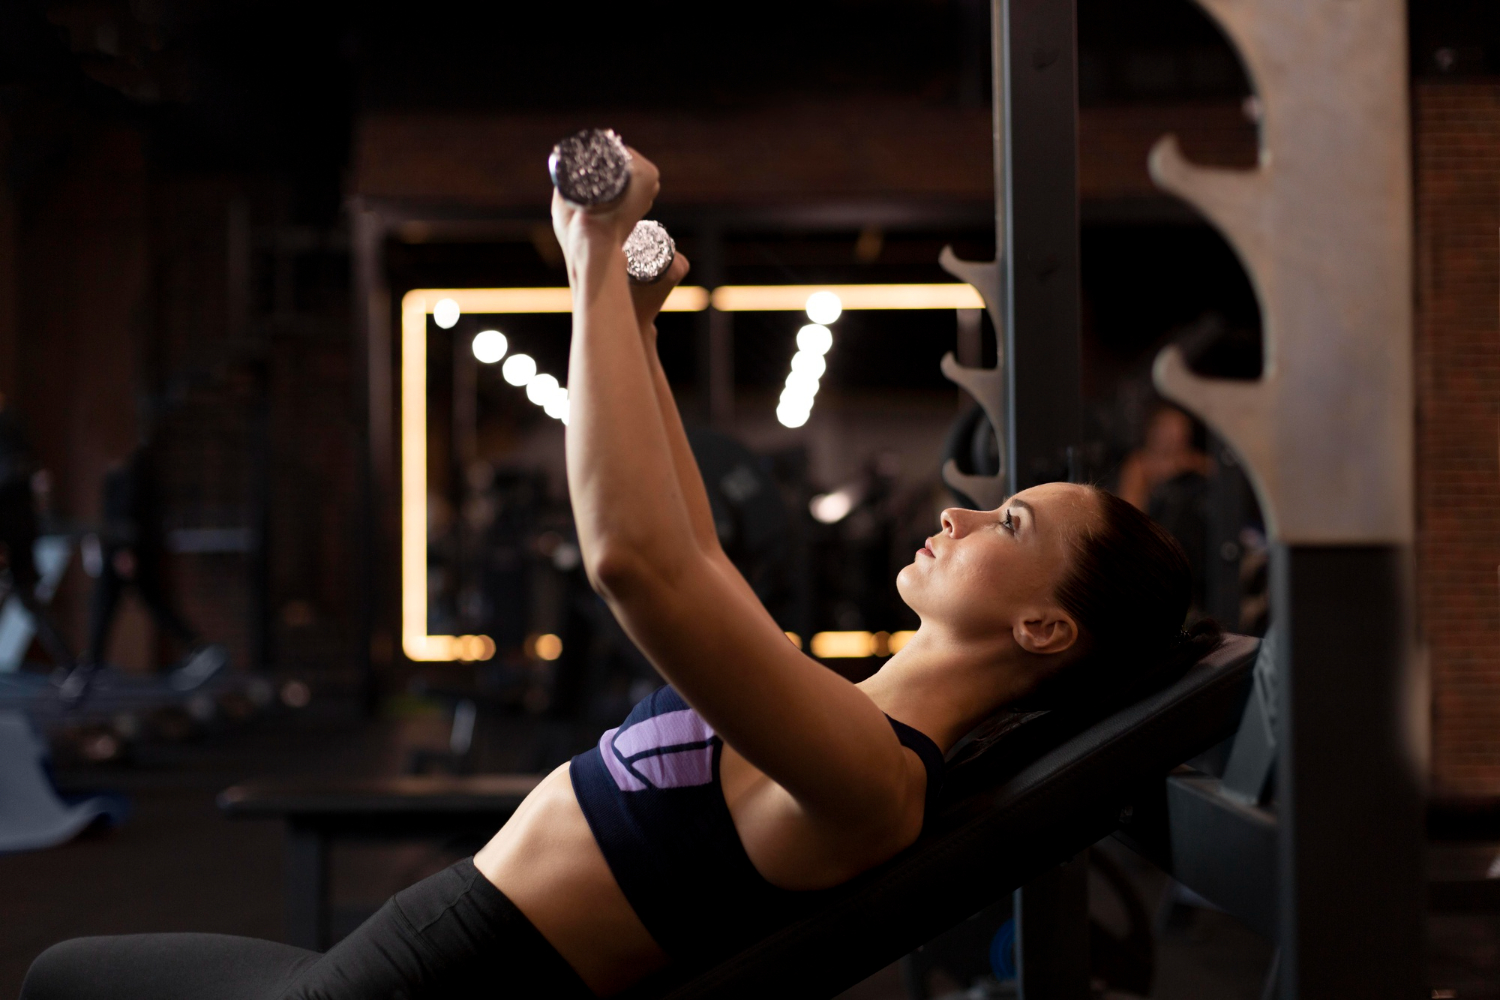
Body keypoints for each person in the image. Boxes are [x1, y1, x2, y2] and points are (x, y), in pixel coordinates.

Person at [20, 149, 1218, 1000]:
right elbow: (692, 544)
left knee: (61, 974)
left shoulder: (869, 777)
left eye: (1007, 519)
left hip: (404, 992)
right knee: (67, 974)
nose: (959, 512)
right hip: (372, 964)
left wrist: (591, 253)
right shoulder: (845, 723)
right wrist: (637, 323)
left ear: (1049, 630)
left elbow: (637, 563)